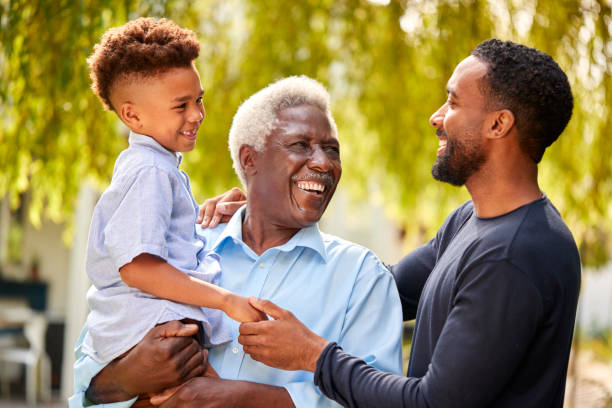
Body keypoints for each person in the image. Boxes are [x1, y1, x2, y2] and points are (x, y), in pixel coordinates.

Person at [231, 39, 581, 407]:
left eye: (454, 102)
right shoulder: (470, 222)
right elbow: (374, 289)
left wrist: (315, 357)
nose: (437, 116)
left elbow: (430, 403)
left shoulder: (514, 256)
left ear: (498, 123)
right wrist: (259, 209)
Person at [70, 76, 403, 407]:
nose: (323, 162)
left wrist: (249, 400)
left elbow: (379, 401)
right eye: (300, 145)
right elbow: (87, 380)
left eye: (332, 150)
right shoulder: (178, 250)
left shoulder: (362, 277)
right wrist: (126, 378)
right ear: (249, 159)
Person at [72, 17, 266, 405]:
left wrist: (205, 217)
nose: (197, 114)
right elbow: (137, 267)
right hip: (148, 323)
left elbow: (164, 239)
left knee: (211, 391)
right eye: (181, 105)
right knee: (207, 393)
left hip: (150, 321)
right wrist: (226, 300)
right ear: (132, 116)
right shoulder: (149, 171)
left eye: (199, 99)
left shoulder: (154, 167)